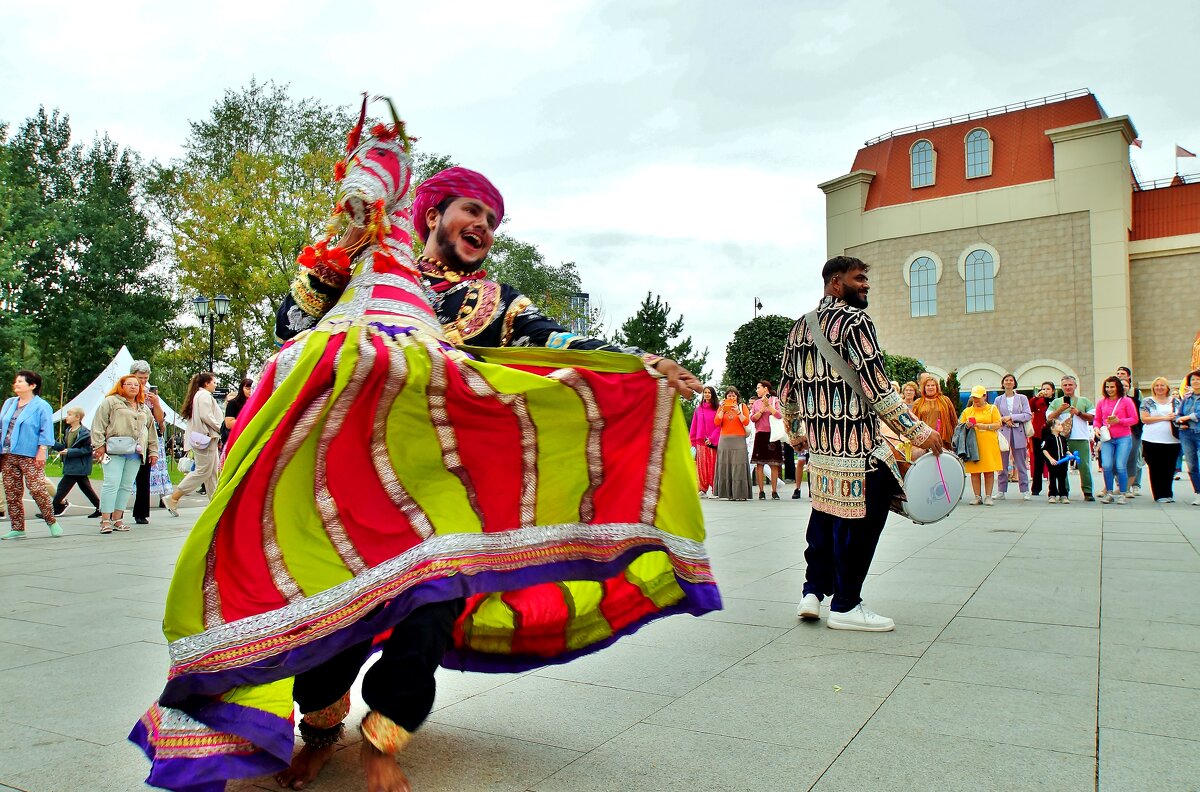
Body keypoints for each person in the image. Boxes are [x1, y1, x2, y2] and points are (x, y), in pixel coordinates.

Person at [131, 112, 717, 792]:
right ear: (432, 210)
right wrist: (340, 253)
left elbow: (555, 341)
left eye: (493, 222)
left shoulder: (492, 299)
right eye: (473, 210)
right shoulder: (364, 263)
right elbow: (293, 322)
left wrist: (637, 364)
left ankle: (385, 737)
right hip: (345, 482)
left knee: (433, 605)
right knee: (335, 611)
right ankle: (320, 729)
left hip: (442, 486)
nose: (484, 229)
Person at [781, 256, 942, 632]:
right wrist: (921, 433)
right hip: (859, 450)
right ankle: (847, 605)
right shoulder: (857, 322)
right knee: (862, 524)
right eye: (860, 279)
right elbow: (879, 389)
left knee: (823, 516)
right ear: (836, 282)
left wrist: (796, 431)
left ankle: (813, 592)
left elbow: (787, 390)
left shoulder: (798, 328)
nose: (866, 285)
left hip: (821, 453)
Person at [90, 374, 160, 534]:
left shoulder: (143, 407)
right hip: (113, 450)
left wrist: (153, 450)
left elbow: (151, 430)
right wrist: (99, 445)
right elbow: (98, 424)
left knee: (126, 485)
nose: (133, 387)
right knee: (111, 483)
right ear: (121, 386)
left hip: (135, 452)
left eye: (136, 385)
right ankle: (105, 519)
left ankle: (117, 518)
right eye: (129, 384)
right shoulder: (111, 402)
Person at [0, 370, 60, 539]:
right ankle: (18, 527)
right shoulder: (10, 403)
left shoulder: (42, 406)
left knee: (37, 488)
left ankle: (51, 521)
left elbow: (46, 430)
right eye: (16, 381)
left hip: (30, 454)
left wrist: (42, 450)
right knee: (12, 491)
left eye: (20, 381)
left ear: (32, 385)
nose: (16, 384)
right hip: (8, 453)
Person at [164, 373, 222, 515]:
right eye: (214, 382)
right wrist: (220, 428)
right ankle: (174, 497)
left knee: (211, 473)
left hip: (206, 438)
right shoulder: (204, 396)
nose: (216, 384)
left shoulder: (199, 396)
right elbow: (206, 416)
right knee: (203, 471)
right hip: (206, 437)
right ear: (207, 383)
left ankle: (215, 503)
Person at [1047, 376, 1096, 501]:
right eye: (1065, 385)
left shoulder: (1084, 401)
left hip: (1080, 437)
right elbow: (1049, 418)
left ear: (1075, 386)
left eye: (1070, 384)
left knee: (1083, 465)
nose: (1068, 387)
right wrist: (1060, 410)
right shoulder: (1056, 402)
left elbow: (1092, 417)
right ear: (1061, 387)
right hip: (1061, 438)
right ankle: (1064, 491)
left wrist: (1079, 413)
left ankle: (1088, 491)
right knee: (1062, 466)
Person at [129, 361, 166, 525]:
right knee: (123, 476)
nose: (143, 381)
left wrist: (156, 403)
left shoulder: (150, 395)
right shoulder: (126, 390)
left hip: (146, 437)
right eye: (140, 377)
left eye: (145, 378)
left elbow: (159, 420)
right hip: (129, 436)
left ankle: (141, 512)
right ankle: (112, 511)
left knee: (144, 475)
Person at [1093, 375, 1138, 504]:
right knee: (1106, 465)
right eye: (1107, 387)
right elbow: (1097, 419)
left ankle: (1123, 493)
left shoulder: (1126, 401)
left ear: (1118, 387)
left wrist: (1120, 421)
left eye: (1112, 386)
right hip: (1107, 438)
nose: (1109, 389)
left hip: (1123, 437)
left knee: (1120, 465)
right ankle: (1109, 492)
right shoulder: (1102, 402)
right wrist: (1096, 428)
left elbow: (1134, 419)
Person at [49, 407, 100, 517]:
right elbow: (64, 447)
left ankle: (54, 510)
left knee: (62, 488)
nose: (67, 417)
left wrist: (70, 452)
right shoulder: (68, 431)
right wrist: (52, 442)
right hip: (72, 466)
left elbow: (87, 450)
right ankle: (100, 508)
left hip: (78, 466)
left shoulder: (85, 433)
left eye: (69, 414)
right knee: (87, 489)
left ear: (77, 417)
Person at [1139, 377, 1182, 503]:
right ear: (1153, 388)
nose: (1159, 388)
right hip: (1152, 439)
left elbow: (1180, 416)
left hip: (1172, 440)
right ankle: (1159, 494)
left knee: (1169, 468)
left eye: (1162, 385)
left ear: (1167, 387)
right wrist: (1165, 418)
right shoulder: (1147, 401)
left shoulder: (1175, 401)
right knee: (1156, 467)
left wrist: (1175, 418)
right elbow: (1144, 419)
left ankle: (1168, 493)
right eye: (1157, 385)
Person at [960, 385, 1002, 506]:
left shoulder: (992, 409)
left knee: (989, 471)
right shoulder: (967, 411)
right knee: (975, 471)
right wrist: (967, 425)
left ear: (985, 396)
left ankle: (988, 496)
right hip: (973, 443)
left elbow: (998, 424)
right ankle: (977, 496)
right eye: (974, 397)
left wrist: (984, 426)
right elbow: (960, 426)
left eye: (978, 397)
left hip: (989, 443)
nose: (976, 400)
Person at [995, 374, 1032, 500]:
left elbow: (1027, 414)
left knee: (1021, 463)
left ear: (1014, 383)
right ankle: (1001, 490)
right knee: (1002, 464)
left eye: (1011, 380)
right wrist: (1004, 420)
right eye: (1006, 380)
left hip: (1018, 432)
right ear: (1003, 383)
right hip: (1003, 432)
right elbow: (995, 416)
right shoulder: (998, 399)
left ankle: (1025, 490)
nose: (1009, 382)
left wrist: (1012, 417)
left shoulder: (1022, 398)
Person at [713, 386, 752, 501]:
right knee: (726, 465)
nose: (731, 397)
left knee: (739, 465)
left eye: (733, 395)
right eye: (729, 395)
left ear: (737, 397)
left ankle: (741, 493)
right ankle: (729, 493)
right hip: (725, 439)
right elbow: (716, 422)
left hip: (739, 439)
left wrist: (738, 412)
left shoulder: (742, 406)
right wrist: (722, 410)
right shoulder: (721, 407)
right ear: (725, 397)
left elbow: (746, 421)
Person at [749, 380, 784, 500]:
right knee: (759, 463)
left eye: (759, 388)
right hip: (760, 434)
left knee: (774, 463)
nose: (757, 390)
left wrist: (768, 405)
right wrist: (762, 409)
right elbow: (753, 418)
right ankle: (761, 491)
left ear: (765, 388)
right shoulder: (756, 403)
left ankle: (774, 491)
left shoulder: (775, 400)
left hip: (773, 434)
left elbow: (779, 415)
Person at [1116, 366, 1144, 496]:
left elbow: (1140, 414)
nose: (1120, 375)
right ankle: (1120, 485)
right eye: (1118, 373)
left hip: (1133, 431)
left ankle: (1135, 484)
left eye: (1123, 373)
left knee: (1134, 458)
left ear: (1129, 377)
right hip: (1118, 432)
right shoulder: (1112, 396)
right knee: (1119, 459)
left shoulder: (1136, 395)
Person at [689, 386, 720, 497]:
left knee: (713, 465)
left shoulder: (718, 409)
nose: (707, 394)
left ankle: (714, 488)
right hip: (700, 442)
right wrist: (692, 442)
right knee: (701, 467)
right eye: (705, 392)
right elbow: (694, 426)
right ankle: (702, 489)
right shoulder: (698, 409)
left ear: (713, 394)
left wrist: (711, 438)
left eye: (709, 392)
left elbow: (719, 426)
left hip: (712, 443)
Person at [912, 373, 957, 444]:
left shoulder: (945, 400)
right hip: (925, 439)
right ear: (924, 387)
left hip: (943, 438)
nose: (930, 387)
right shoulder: (918, 403)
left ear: (937, 387)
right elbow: (914, 422)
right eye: (928, 385)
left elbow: (953, 420)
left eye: (933, 385)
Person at [1177, 369, 1200, 505]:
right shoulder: (1187, 397)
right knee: (1191, 465)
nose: (1195, 382)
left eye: (1198, 379)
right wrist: (1181, 421)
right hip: (1186, 434)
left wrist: (1186, 417)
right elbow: (1178, 414)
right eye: (1193, 380)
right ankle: (1198, 492)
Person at [1028, 381, 1055, 497]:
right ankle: (1036, 488)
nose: (1045, 391)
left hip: (1052, 434)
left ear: (1053, 391)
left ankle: (1053, 488)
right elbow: (1029, 408)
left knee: (1053, 461)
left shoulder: (1056, 402)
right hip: (1038, 434)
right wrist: (1035, 398)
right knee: (1038, 462)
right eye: (1043, 389)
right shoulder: (1038, 401)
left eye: (1048, 389)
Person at [1042, 420, 1072, 503]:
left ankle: (1063, 495)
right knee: (1052, 478)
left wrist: (1070, 455)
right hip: (1053, 463)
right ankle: (1052, 494)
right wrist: (1050, 459)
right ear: (1052, 428)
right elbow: (1044, 450)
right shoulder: (1048, 438)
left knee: (1062, 478)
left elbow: (1066, 450)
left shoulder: (1063, 438)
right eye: (1058, 425)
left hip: (1063, 462)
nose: (1061, 426)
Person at [223, 377, 254, 446]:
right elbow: (228, 424)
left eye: (252, 389)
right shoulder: (233, 403)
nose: (250, 391)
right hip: (237, 438)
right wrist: (249, 420)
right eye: (248, 388)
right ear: (241, 389)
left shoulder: (256, 403)